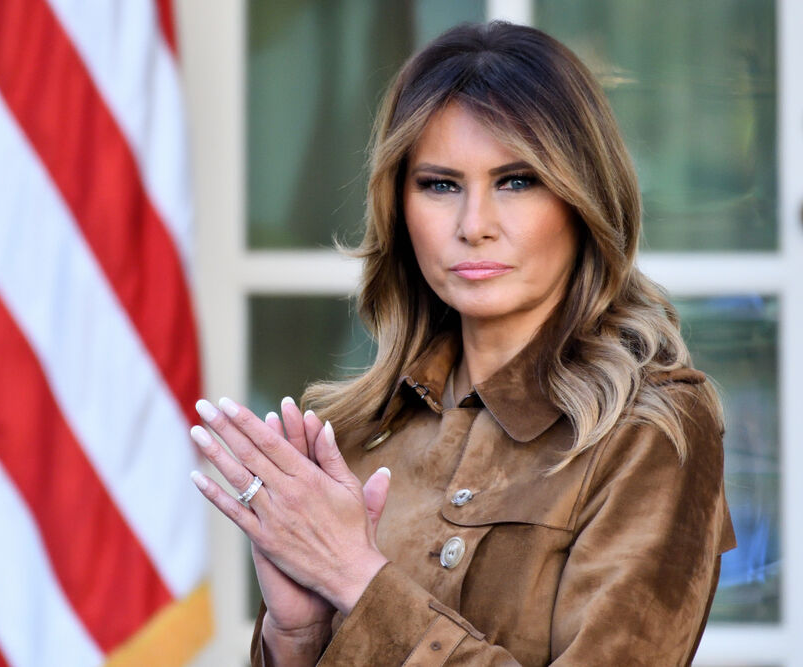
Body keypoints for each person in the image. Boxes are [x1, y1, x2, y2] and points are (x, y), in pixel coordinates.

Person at [189, 21, 736, 666]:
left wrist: (355, 579)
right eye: (440, 185)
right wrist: (296, 635)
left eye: (517, 180)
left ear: (582, 198)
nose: (474, 226)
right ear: (399, 205)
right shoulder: (353, 431)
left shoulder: (648, 432)